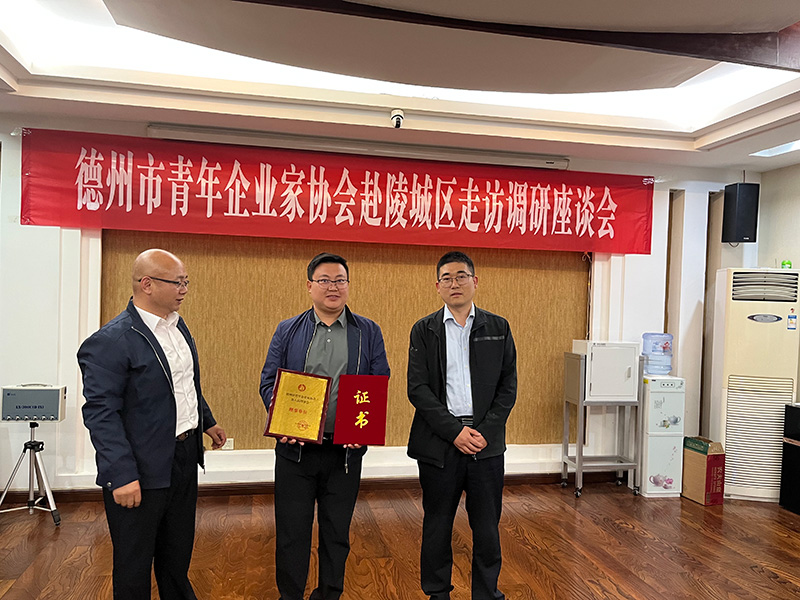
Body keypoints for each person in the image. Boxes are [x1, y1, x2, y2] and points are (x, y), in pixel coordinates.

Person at [78, 248, 226, 600]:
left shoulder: (177, 326)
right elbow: (101, 414)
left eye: (186, 282)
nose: (184, 290)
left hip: (183, 458)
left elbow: (182, 384)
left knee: (177, 554)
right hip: (140, 467)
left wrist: (206, 421)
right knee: (134, 563)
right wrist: (121, 474)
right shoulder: (110, 342)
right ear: (147, 284)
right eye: (177, 282)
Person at [259, 252, 390, 600]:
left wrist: (363, 430)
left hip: (345, 453)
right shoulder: (288, 330)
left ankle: (330, 593)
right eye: (325, 281)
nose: (333, 287)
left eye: (340, 280)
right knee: (292, 533)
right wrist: (281, 417)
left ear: (348, 285)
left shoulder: (368, 331)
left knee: (337, 533)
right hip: (296, 452)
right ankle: (291, 595)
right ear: (309, 286)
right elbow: (269, 382)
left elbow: (378, 380)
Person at [407, 250, 517, 600]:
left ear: (475, 281)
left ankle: (487, 593)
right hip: (441, 442)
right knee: (437, 523)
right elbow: (417, 389)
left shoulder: (498, 328)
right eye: (447, 278)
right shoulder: (424, 330)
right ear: (437, 286)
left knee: (486, 527)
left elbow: (508, 387)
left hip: (485, 443)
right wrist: (454, 432)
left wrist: (484, 432)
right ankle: (437, 592)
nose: (454, 283)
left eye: (461, 276)